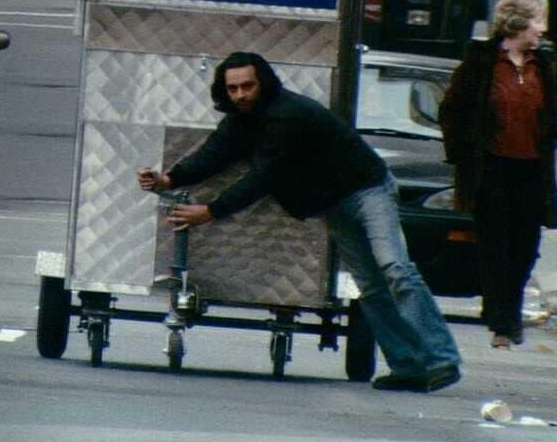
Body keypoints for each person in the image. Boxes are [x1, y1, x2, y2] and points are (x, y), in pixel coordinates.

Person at [137, 51, 462, 392]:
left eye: (248, 86)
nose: (241, 95)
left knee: (395, 268)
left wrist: (212, 210)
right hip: (333, 203)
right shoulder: (240, 120)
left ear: (263, 83)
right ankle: (408, 367)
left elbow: (264, 176)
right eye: (233, 89)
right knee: (371, 284)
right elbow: (213, 154)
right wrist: (169, 180)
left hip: (367, 189)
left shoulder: (287, 115)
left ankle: (442, 360)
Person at [438, 0, 557, 349]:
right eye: (538, 21)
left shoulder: (543, 66)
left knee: (526, 247)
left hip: (531, 170)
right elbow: (452, 111)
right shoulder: (481, 61)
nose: (542, 29)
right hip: (491, 167)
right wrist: (462, 154)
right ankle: (503, 321)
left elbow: (546, 119)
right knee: (496, 246)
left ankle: (504, 311)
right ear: (519, 23)